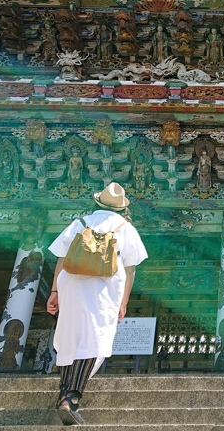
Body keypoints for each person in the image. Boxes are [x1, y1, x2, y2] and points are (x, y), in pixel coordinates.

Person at [46, 182, 148, 425]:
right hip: (104, 289)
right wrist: (124, 301)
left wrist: (54, 291)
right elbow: (130, 269)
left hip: (71, 284)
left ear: (98, 202)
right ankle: (72, 397)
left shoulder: (80, 223)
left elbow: (62, 258)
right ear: (122, 208)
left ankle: (64, 391)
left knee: (71, 337)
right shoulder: (126, 228)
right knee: (96, 340)